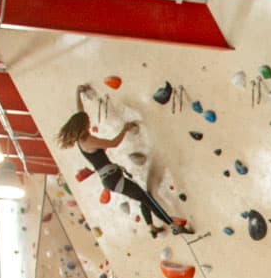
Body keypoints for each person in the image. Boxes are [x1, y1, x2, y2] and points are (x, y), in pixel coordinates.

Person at [56, 85, 191, 238]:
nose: (89, 122)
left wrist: (78, 92)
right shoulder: (89, 140)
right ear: (83, 126)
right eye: (87, 122)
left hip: (111, 177)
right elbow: (113, 143)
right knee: (145, 197)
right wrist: (125, 129)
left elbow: (80, 111)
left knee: (143, 196)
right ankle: (172, 224)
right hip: (112, 178)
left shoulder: (81, 140)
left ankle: (151, 227)